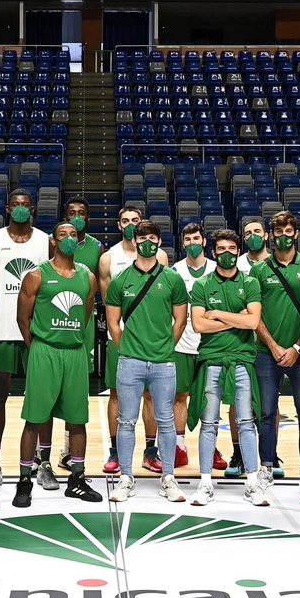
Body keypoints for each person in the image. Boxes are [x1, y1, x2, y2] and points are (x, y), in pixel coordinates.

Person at [14, 219, 103, 508]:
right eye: (62, 234)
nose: (68, 238)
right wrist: (38, 346)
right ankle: (25, 479)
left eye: (73, 234)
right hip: (45, 350)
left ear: (78, 241)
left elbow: (86, 315)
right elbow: (22, 318)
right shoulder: (36, 275)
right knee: (34, 419)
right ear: (53, 241)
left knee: (77, 419)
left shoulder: (88, 278)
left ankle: (76, 479)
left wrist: (68, 339)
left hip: (74, 352)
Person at [105, 220, 188, 503]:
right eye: (143, 238)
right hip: (130, 361)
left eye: (152, 237)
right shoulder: (120, 280)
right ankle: (126, 477)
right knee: (126, 420)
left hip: (164, 361)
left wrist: (167, 347)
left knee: (165, 421)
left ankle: (168, 477)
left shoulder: (172, 279)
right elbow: (113, 323)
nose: (147, 242)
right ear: (134, 241)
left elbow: (181, 320)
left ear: (159, 242)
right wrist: (127, 348)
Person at [190, 229, 267, 507]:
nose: (226, 253)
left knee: (246, 422)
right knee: (208, 423)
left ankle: (252, 483)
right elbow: (199, 325)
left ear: (238, 251)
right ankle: (205, 483)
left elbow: (254, 322)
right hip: (211, 360)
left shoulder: (250, 282)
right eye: (220, 248)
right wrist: (239, 318)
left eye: (231, 248)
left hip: (243, 361)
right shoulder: (201, 285)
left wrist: (220, 314)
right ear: (213, 253)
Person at [0, 189, 52, 490]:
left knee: (42, 398)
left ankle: (43, 461)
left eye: (26, 205)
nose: (21, 209)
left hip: (36, 330)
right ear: (8, 208)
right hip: (1, 328)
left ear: (32, 208)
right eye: (16, 205)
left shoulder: (45, 240)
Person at [248, 210, 300, 488]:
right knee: (266, 412)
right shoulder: (259, 270)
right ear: (270, 235)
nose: (282, 237)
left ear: (296, 233)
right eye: (277, 233)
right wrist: (274, 345)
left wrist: (296, 348)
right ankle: (267, 466)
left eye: (287, 232)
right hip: (267, 353)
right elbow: (255, 315)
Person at [98, 205, 164, 476]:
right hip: (122, 337)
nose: (130, 224)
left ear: (142, 224)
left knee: (150, 395)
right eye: (125, 221)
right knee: (116, 394)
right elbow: (107, 303)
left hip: (152, 337)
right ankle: (115, 452)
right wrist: (120, 339)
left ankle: (150, 452)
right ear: (119, 225)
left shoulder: (160, 255)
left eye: (134, 220)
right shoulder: (107, 259)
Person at [170, 222, 235, 476]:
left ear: (205, 242)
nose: (192, 242)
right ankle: (179, 446)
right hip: (183, 344)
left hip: (212, 344)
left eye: (196, 238)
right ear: (182, 243)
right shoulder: (174, 271)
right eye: (188, 239)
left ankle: (214, 447)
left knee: (213, 397)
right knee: (179, 396)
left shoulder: (217, 269)